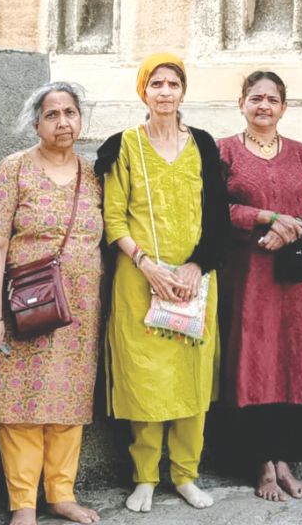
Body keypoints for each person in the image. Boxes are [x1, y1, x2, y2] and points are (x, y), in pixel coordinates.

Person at [94, 53, 230, 513]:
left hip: (194, 281)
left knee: (192, 379)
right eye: (157, 84)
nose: (166, 92)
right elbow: (113, 218)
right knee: (145, 378)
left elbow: (217, 216)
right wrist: (147, 264)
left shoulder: (204, 145)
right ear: (143, 91)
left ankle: (186, 474)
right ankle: (146, 477)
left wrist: (196, 266)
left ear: (183, 91)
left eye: (173, 83)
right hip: (139, 280)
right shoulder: (125, 146)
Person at [0, 83, 104, 525]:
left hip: (79, 313)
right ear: (36, 123)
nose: (63, 122)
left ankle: (61, 494)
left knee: (69, 404)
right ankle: (23, 505)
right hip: (25, 309)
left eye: (70, 112)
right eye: (52, 115)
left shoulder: (93, 174)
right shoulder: (14, 169)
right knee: (20, 408)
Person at [218, 71, 302, 502]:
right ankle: (260, 463)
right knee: (252, 360)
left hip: (296, 277)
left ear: (284, 107)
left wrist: (294, 227)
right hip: (247, 276)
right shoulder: (223, 150)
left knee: (293, 361)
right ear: (241, 103)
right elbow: (215, 208)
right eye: (255, 98)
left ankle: (285, 459)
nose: (264, 106)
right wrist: (265, 218)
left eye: (272, 99)